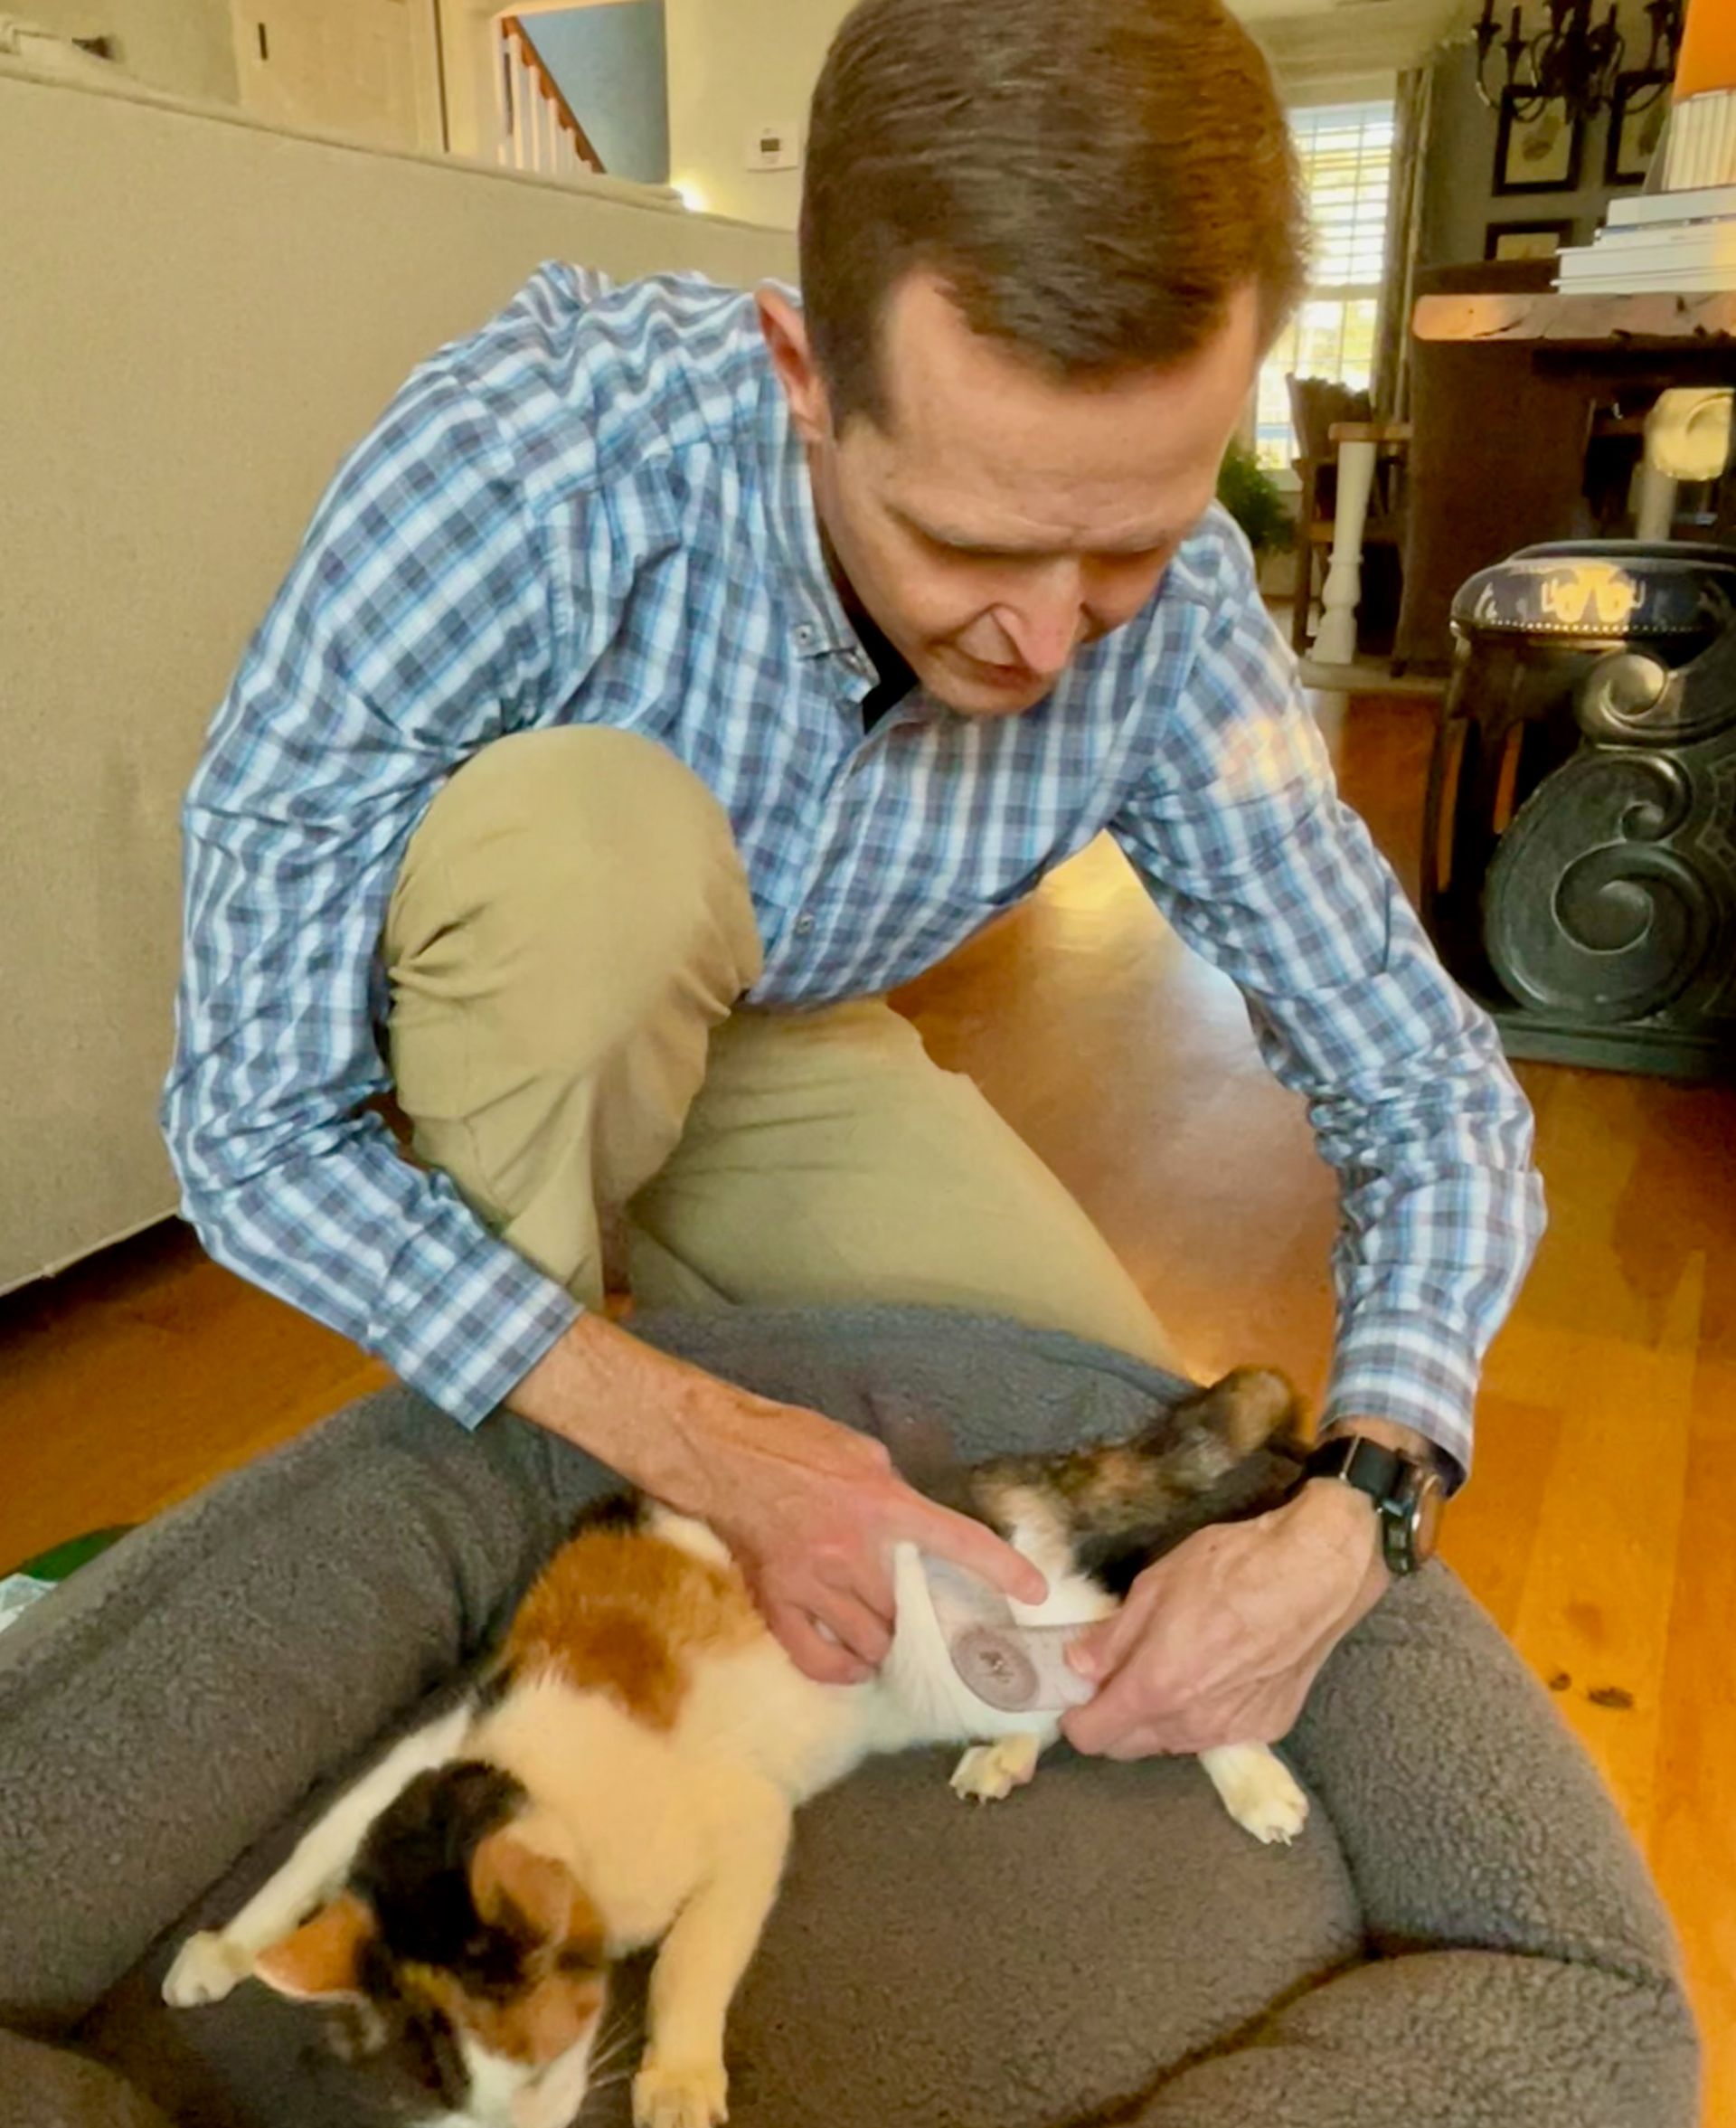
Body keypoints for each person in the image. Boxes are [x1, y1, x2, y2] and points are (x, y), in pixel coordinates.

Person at [164, 0, 1543, 1762]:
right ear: (803, 374)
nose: (1048, 637)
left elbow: (1429, 1087)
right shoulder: (539, 460)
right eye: (968, 537)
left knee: (1113, 1460)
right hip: (499, 1011)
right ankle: (525, 1485)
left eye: (1126, 540)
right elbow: (254, 1124)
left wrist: (1362, 1510)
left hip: (777, 1034)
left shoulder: (1182, 629)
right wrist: (700, 1440)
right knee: (609, 852)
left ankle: (643, 1382)